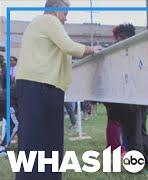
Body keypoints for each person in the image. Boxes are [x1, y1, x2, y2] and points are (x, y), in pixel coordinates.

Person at [15, 0, 102, 179]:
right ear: (55, 8)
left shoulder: (38, 23)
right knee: (45, 139)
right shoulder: (49, 21)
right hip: (41, 86)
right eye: (65, 11)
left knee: (34, 138)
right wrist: (92, 49)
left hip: (35, 86)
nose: (67, 16)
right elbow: (69, 47)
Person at [106, 24, 148, 168]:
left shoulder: (126, 55)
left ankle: (136, 166)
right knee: (140, 131)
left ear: (124, 38)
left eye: (118, 38)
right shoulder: (139, 52)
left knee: (133, 133)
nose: (115, 41)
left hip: (131, 99)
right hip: (138, 98)